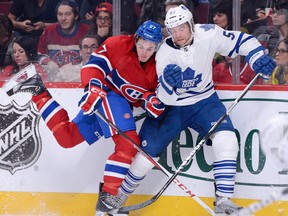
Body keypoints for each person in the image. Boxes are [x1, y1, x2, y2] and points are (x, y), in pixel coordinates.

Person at [117, 4, 276, 215]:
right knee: (145, 157)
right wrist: (169, 85)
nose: (177, 35)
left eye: (181, 28)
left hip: (205, 102)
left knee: (226, 139)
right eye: (172, 31)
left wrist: (257, 58)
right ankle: (118, 198)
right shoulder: (164, 52)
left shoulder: (209, 33)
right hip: (172, 107)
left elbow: (241, 41)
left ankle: (223, 200)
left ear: (191, 24)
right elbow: (164, 97)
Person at [3, 20, 163, 215]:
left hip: (118, 105)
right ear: (136, 39)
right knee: (129, 143)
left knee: (67, 137)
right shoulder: (118, 44)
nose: (144, 52)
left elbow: (155, 93)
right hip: (107, 96)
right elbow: (94, 65)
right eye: (141, 46)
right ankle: (110, 199)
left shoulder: (160, 63)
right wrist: (93, 86)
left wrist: (150, 100)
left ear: (157, 47)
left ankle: (38, 91)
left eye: (150, 48)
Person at [37, 0, 90, 68]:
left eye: (68, 14)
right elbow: (40, 55)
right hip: (55, 75)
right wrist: (49, 62)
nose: (63, 18)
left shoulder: (86, 31)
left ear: (76, 16)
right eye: (60, 14)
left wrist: (75, 66)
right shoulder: (49, 31)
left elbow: (93, 56)